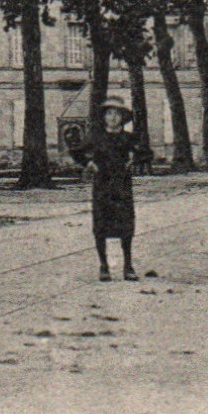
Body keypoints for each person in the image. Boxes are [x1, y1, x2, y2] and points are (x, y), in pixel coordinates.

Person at [86, 96, 139, 282]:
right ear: (104, 117)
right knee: (101, 226)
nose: (113, 118)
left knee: (126, 226)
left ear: (123, 117)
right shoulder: (97, 138)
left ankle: (128, 266)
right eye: (109, 113)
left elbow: (146, 153)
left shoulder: (129, 138)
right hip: (102, 187)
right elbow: (79, 152)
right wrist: (89, 163)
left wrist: (135, 157)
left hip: (122, 186)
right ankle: (104, 266)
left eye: (117, 114)